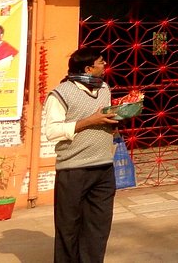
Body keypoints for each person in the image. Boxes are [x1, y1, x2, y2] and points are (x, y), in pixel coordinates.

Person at [42, 48, 120, 262]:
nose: (105, 66)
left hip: (104, 166)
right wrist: (90, 121)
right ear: (88, 68)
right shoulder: (60, 93)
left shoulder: (104, 88)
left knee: (99, 226)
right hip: (73, 169)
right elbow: (52, 131)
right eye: (101, 62)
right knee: (69, 226)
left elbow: (103, 118)